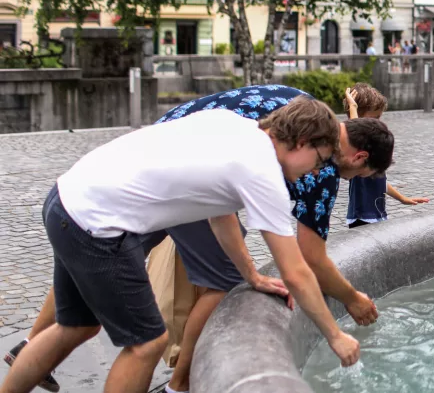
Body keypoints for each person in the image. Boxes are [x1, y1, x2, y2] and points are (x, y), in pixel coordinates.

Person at [4, 86, 393, 393]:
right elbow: (297, 271)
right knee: (146, 344)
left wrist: (251, 275)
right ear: (301, 142)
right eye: (321, 160)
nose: (317, 171)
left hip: (66, 197)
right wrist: (335, 335)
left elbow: (219, 212)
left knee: (76, 325)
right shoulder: (261, 173)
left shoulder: (236, 126)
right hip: (98, 225)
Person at [342, 83, 429, 227]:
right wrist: (353, 108)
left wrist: (402, 198)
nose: (378, 122)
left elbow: (380, 181)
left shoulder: (372, 146)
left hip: (378, 214)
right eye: (374, 118)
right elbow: (355, 132)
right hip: (362, 217)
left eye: (379, 117)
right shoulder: (359, 151)